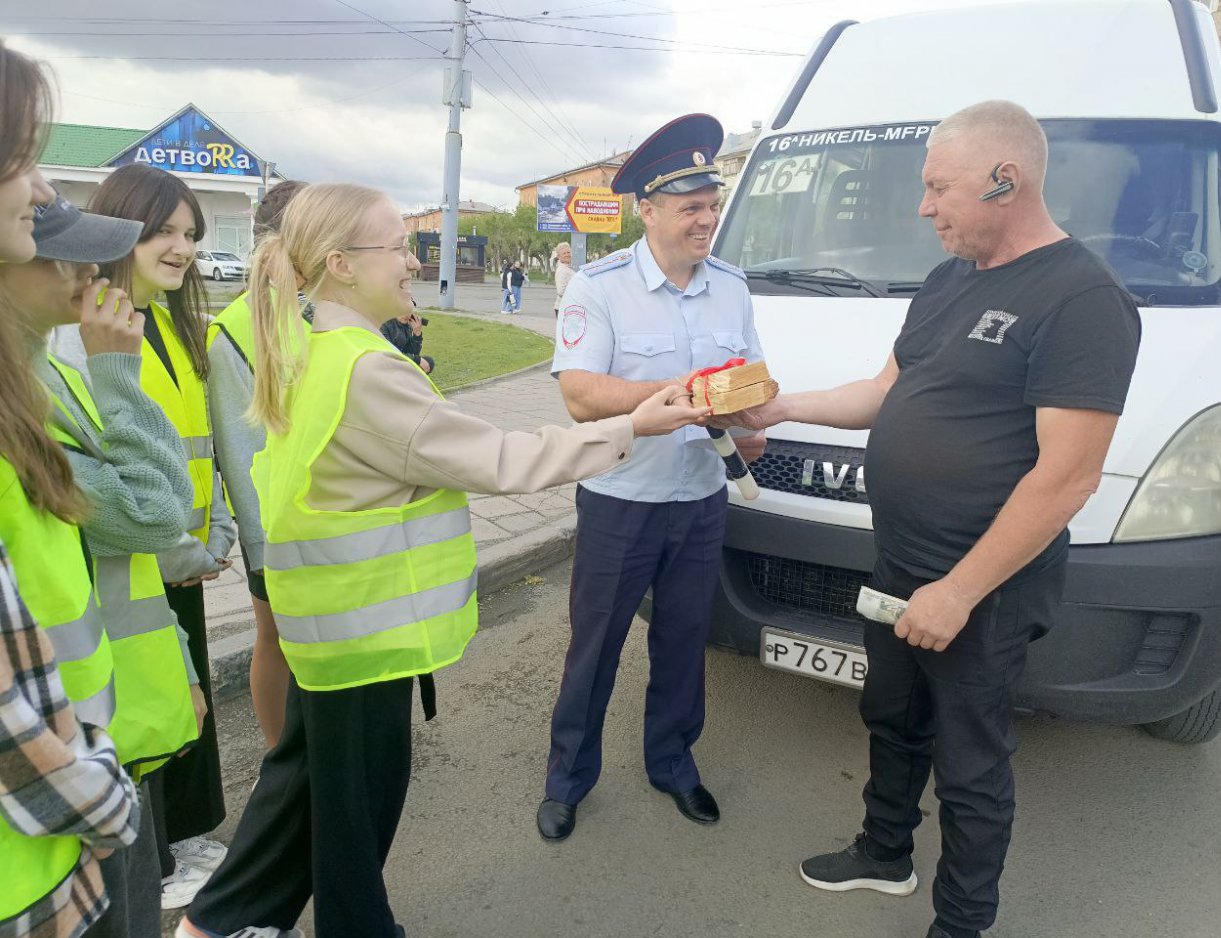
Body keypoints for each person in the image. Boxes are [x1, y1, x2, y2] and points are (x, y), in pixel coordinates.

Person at [175, 182, 708, 938]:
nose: (412, 262)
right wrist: (632, 426)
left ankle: (216, 924)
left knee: (306, 792)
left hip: (331, 627)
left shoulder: (319, 346)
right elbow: (494, 458)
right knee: (352, 813)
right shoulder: (364, 367)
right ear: (341, 264)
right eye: (395, 247)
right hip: (364, 636)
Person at [718, 101, 1141, 938]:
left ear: (1005, 180)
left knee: (972, 761)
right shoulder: (951, 280)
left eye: (937, 186)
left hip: (981, 584)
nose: (923, 206)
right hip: (903, 561)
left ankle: (963, 922)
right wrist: (776, 407)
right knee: (892, 713)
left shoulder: (1083, 300)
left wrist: (959, 591)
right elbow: (885, 392)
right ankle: (884, 854)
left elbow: (1067, 480)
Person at [536, 113, 767, 842]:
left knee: (683, 643)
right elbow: (579, 393)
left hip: (699, 499)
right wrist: (681, 396)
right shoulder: (600, 287)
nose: (707, 220)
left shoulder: (731, 286)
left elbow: (754, 381)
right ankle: (567, 780)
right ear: (649, 210)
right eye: (691, 207)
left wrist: (748, 415)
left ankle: (673, 764)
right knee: (594, 646)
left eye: (712, 204)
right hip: (621, 502)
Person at [6, 193, 213, 937]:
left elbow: (123, 562)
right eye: (58, 248)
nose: (91, 268)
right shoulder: (34, 393)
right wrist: (119, 375)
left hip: (114, 722)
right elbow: (154, 517)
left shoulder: (47, 378)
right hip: (75, 760)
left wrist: (182, 659)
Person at [0, 39, 141, 938]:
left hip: (63, 825)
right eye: (21, 159)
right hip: (53, 834)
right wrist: (105, 800)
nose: (47, 192)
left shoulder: (35, 378)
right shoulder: (80, 371)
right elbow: (154, 512)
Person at [69, 164, 237, 909]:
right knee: (147, 716)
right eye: (164, 230)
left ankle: (181, 841)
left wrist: (219, 533)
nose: (182, 248)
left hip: (187, 555)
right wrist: (181, 548)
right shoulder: (88, 337)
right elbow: (117, 459)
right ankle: (161, 864)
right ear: (119, 228)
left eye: (191, 234)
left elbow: (204, 444)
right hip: (141, 558)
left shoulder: (167, 322)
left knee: (183, 706)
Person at [205, 178, 308, 750]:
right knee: (274, 636)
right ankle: (280, 755)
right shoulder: (234, 332)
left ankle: (321, 748)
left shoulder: (325, 312)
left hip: (336, 515)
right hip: (278, 524)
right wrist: (265, 544)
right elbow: (241, 455)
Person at [380, 307, 434, 374]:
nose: (406, 315)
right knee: (420, 362)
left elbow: (412, 352)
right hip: (386, 362)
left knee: (429, 362)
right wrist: (416, 359)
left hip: (400, 360)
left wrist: (417, 335)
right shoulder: (384, 325)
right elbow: (388, 353)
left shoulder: (406, 325)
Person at [553, 241, 574, 315]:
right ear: (559, 256)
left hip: (567, 307)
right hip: (563, 308)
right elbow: (561, 291)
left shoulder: (567, 268)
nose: (567, 255)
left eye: (568, 252)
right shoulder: (562, 270)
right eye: (564, 253)